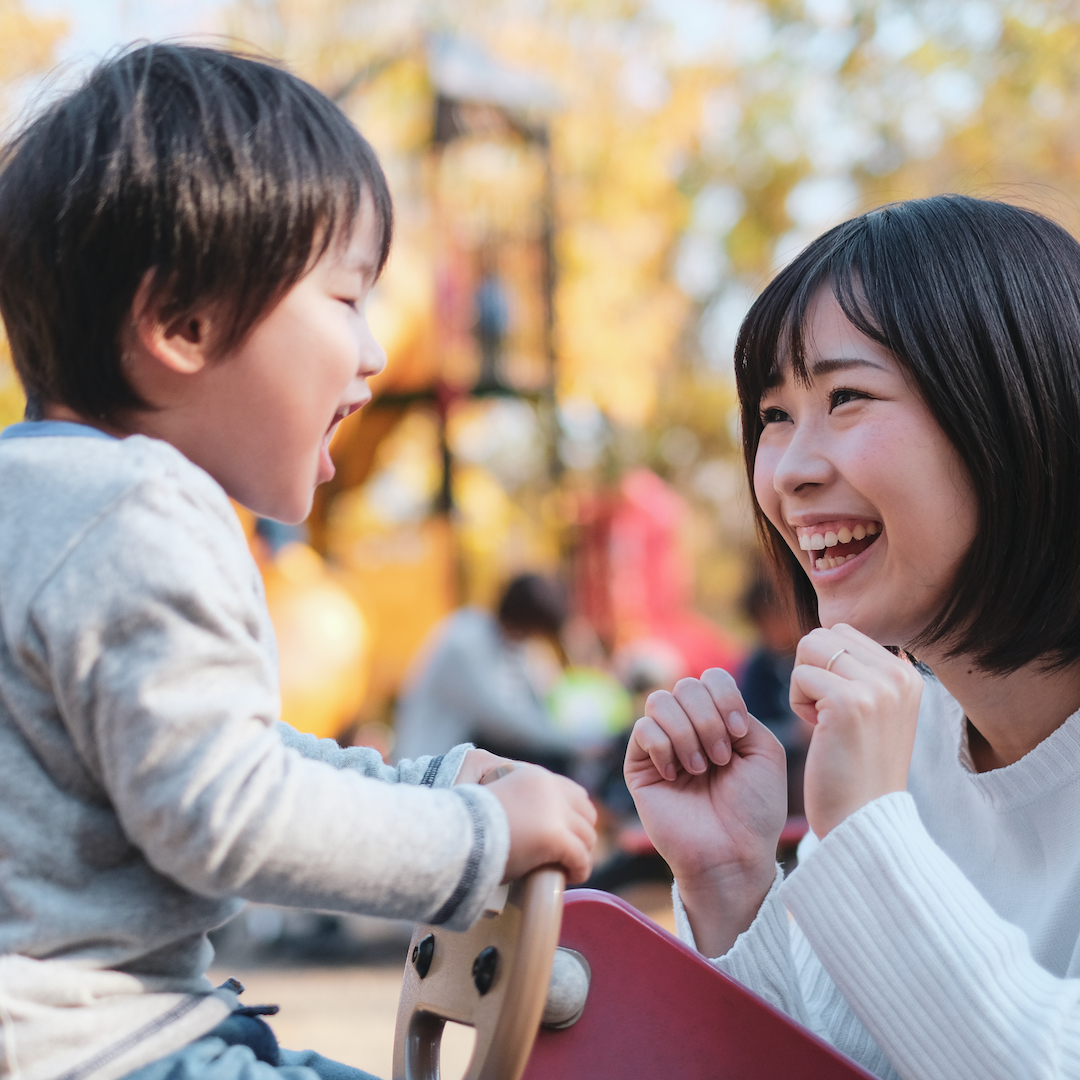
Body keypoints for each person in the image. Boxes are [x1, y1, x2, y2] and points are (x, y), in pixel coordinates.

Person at [0, 45, 596, 1080]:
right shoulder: (146, 507)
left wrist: (431, 780)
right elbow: (228, 814)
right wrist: (480, 836)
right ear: (180, 324)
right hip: (106, 1051)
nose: (371, 353)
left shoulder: (37, 502)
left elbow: (226, 751)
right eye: (346, 299)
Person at [625, 195, 1080, 1080]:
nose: (790, 471)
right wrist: (733, 888)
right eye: (774, 416)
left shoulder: (878, 781)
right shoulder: (897, 747)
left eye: (847, 397)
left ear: (1017, 416)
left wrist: (873, 828)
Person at [394, 574, 576, 774]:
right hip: (432, 768)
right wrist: (570, 743)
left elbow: (537, 700)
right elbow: (502, 720)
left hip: (462, 763)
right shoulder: (465, 642)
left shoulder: (511, 645)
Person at [737, 568, 811, 816]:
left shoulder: (818, 652)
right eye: (764, 620)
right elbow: (747, 726)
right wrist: (794, 732)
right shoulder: (759, 667)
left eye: (778, 616)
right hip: (777, 770)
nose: (773, 628)